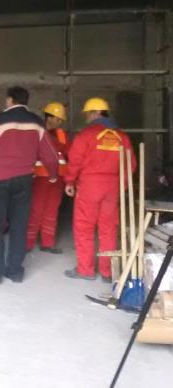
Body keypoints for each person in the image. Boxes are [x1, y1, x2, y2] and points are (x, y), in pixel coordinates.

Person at [0, 86, 59, 284]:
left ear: (10, 100)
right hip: (24, 181)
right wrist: (53, 174)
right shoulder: (37, 123)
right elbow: (50, 154)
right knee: (19, 227)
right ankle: (15, 272)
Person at [64, 97, 134, 282]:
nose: (86, 117)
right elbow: (130, 165)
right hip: (112, 186)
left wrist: (69, 181)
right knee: (108, 229)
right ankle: (107, 271)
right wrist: (122, 186)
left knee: (84, 227)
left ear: (96, 113)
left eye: (88, 113)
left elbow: (75, 161)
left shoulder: (86, 135)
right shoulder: (122, 137)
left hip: (89, 186)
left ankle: (85, 270)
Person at [26, 102, 70, 254]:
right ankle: (27, 244)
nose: (59, 122)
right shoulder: (36, 132)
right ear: (48, 117)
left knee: (52, 211)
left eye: (61, 120)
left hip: (58, 178)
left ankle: (48, 243)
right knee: (36, 210)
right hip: (40, 177)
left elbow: (67, 153)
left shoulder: (61, 134)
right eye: (57, 119)